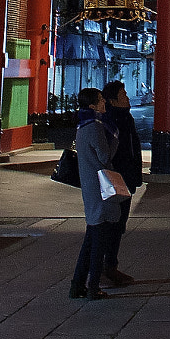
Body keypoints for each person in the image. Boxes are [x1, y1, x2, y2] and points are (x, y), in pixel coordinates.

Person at [69, 87, 124, 300]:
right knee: (98, 240)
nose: (104, 103)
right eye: (100, 100)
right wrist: (115, 139)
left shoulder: (82, 125)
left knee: (91, 238)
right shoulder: (95, 127)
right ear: (92, 105)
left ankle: (77, 285)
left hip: (90, 186)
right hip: (100, 189)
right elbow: (104, 155)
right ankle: (93, 287)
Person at [99, 80, 141, 286]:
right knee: (113, 223)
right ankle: (107, 267)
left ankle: (108, 265)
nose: (127, 98)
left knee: (119, 223)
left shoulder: (125, 118)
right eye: (123, 95)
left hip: (126, 178)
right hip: (116, 179)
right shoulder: (112, 121)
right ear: (113, 101)